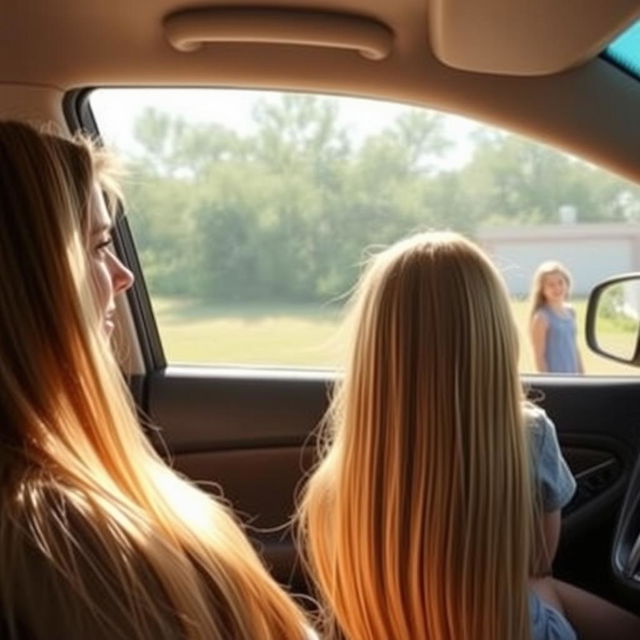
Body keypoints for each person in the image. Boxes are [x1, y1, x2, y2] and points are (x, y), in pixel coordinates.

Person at [0, 120, 311, 640]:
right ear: (34, 284)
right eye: (98, 247)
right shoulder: (55, 536)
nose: (123, 276)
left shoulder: (67, 512)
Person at [298, 232, 640, 640]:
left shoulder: (334, 480)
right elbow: (537, 562)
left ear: (371, 346)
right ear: (494, 335)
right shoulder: (528, 435)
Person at [530, 261, 584, 374]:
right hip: (556, 380)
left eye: (560, 282)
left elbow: (575, 348)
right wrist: (549, 384)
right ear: (542, 290)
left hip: (573, 377)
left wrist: (582, 375)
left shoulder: (571, 311)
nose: (557, 288)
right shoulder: (541, 317)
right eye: (551, 285)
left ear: (567, 284)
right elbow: (539, 357)